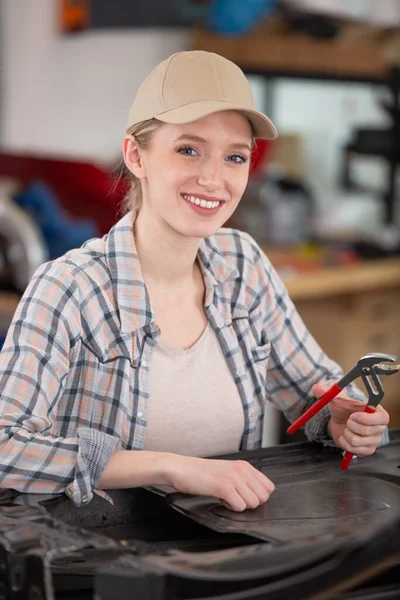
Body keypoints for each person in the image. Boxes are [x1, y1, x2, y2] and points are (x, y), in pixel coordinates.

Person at [0, 51, 389, 511]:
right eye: (189, 149)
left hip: (231, 543)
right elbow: (7, 449)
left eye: (235, 157)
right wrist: (172, 467)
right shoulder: (69, 288)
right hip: (102, 561)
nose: (213, 179)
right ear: (136, 156)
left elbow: (314, 388)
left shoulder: (242, 263)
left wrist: (340, 421)